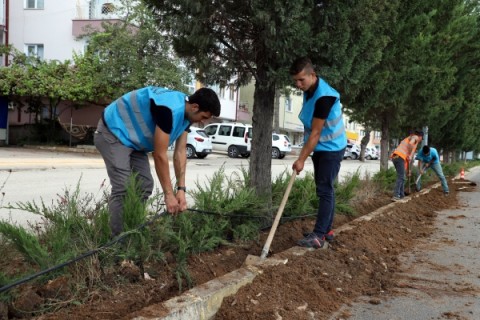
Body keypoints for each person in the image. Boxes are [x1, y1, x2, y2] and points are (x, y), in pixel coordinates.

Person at [94, 86, 221, 236]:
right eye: (204, 117)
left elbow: (180, 152)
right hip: (113, 132)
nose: (202, 122)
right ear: (195, 107)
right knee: (122, 186)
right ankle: (116, 241)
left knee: (145, 184)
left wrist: (181, 190)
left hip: (134, 141)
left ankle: (131, 227)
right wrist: (168, 195)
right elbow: (160, 155)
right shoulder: (168, 110)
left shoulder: (186, 117)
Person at [289, 57, 347, 249]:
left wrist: (301, 160)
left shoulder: (324, 97)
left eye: (301, 80)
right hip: (322, 148)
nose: (298, 85)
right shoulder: (311, 89)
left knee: (324, 190)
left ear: (312, 75)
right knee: (325, 189)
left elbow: (315, 133)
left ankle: (319, 236)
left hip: (331, 148)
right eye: (295, 81)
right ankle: (326, 230)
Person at [390, 130, 423, 201]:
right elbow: (411, 144)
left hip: (395, 157)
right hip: (400, 157)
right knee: (401, 177)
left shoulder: (409, 139)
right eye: (421, 139)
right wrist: (410, 154)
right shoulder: (415, 137)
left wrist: (409, 170)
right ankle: (396, 195)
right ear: (420, 137)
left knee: (402, 176)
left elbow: (408, 159)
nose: (420, 140)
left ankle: (402, 195)